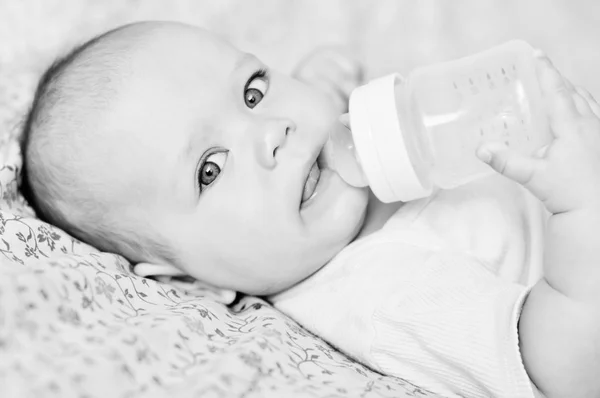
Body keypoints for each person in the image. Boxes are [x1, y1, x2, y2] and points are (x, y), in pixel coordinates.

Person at [19, 21, 600, 398]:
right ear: (188, 283)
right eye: (209, 170)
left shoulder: (334, 181)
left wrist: (323, 84)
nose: (273, 131)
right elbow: (566, 368)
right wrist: (583, 204)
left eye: (252, 90)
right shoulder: (388, 300)